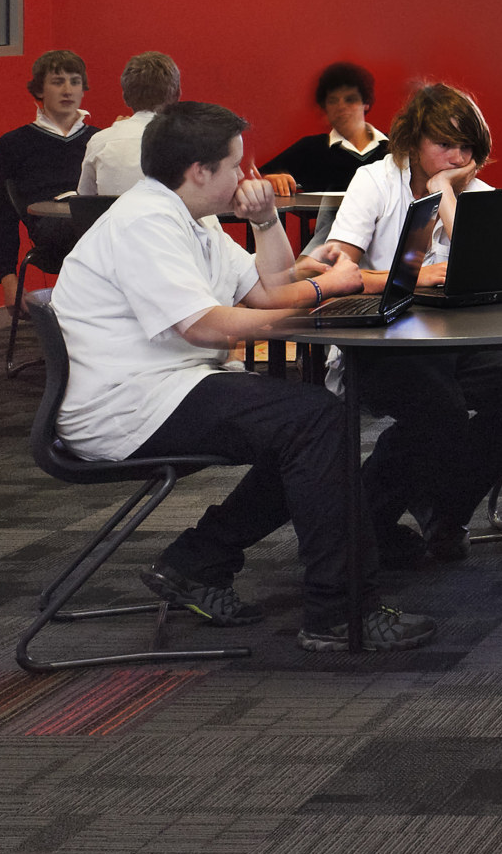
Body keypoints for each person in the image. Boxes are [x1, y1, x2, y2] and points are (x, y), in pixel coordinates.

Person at [50, 98, 433, 654]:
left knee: (308, 424)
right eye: (235, 164)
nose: (245, 176)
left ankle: (196, 562)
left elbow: (266, 289)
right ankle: (340, 611)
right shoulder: (146, 222)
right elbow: (204, 327)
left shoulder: (191, 216)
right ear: (199, 171)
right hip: (128, 405)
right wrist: (314, 304)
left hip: (165, 387)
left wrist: (266, 221)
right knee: (315, 421)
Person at [296, 81, 502, 565]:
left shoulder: (475, 192)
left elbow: (486, 272)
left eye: (466, 147)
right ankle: (362, 527)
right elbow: (338, 275)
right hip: (377, 339)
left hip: (453, 339)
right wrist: (409, 279)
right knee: (440, 412)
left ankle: (441, 509)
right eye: (445, 144)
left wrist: (442, 193)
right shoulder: (375, 180)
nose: (457, 156)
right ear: (413, 141)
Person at [0, 52, 92, 284]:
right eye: (57, 82)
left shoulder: (101, 139)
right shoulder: (12, 144)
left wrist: (126, 140)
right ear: (40, 90)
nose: (68, 90)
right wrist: (8, 278)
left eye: (75, 82)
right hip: (53, 230)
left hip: (96, 225)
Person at [262, 61, 386, 197]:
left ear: (366, 103)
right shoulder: (310, 149)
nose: (341, 107)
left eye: (350, 99)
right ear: (324, 107)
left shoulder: (395, 148)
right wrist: (268, 181)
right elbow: (254, 179)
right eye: (333, 101)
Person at [77, 51, 180, 200]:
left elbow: (85, 199)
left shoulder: (99, 141)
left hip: (114, 222)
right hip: (168, 222)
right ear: (176, 95)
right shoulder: (188, 144)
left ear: (125, 97)